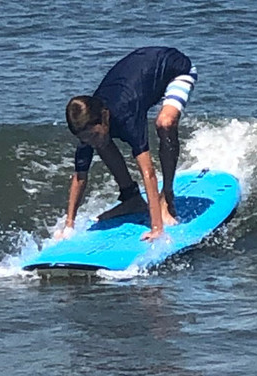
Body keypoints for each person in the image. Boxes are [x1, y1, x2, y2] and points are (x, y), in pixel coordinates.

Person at [61, 46, 197, 241]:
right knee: (102, 143)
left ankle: (167, 196)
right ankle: (131, 199)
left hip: (176, 69)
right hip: (142, 77)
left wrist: (156, 228)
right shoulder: (87, 127)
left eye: (93, 135)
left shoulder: (127, 114)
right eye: (85, 138)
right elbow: (80, 176)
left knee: (165, 123)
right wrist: (69, 225)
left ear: (104, 117)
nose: (90, 141)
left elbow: (148, 172)